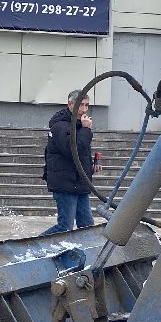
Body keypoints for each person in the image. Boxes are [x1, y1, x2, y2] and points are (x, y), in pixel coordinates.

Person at [41, 90, 96, 235]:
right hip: (65, 183)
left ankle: (84, 256)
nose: (84, 109)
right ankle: (31, 248)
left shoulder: (79, 125)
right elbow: (72, 150)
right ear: (70, 105)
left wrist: (91, 166)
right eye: (80, 105)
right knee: (64, 227)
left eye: (86, 105)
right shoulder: (60, 125)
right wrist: (86, 130)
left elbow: (82, 153)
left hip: (80, 183)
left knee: (87, 227)